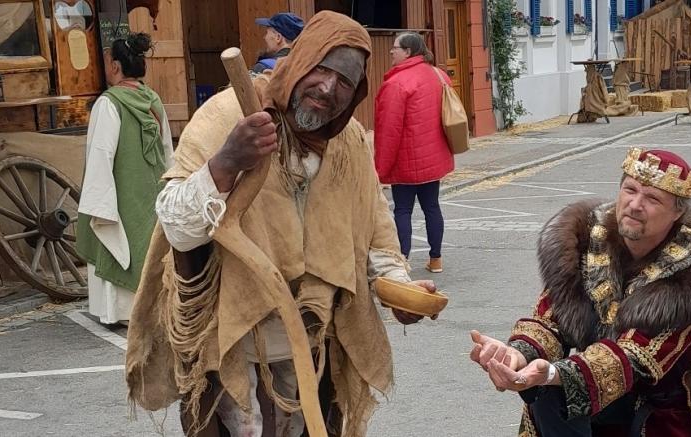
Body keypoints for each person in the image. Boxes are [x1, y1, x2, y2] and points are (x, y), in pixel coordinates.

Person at [125, 11, 438, 436]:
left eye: (344, 81)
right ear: (299, 58)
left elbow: (378, 239)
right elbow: (176, 225)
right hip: (230, 341)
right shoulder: (227, 114)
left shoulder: (348, 144)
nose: (328, 89)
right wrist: (226, 162)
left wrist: (401, 289)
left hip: (313, 344)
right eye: (321, 69)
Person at [468, 147, 691, 437]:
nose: (635, 204)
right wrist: (516, 354)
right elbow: (552, 320)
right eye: (630, 190)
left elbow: (636, 355)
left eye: (652, 198)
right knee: (548, 394)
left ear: (678, 212)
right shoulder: (584, 242)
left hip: (670, 408)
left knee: (554, 384)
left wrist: (554, 374)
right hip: (596, 390)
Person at [77, 34, 173, 326]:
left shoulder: (108, 103)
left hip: (120, 189)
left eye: (108, 62)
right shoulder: (153, 99)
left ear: (116, 66)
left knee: (117, 241)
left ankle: (119, 312)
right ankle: (151, 308)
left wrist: (99, 203)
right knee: (149, 245)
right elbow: (167, 148)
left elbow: (100, 155)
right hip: (153, 188)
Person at [374, 32, 454, 273]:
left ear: (407, 51)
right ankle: (436, 259)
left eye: (395, 48)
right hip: (433, 157)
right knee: (432, 207)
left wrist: (380, 169)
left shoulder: (396, 84)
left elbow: (389, 130)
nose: (391, 51)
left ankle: (403, 261)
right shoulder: (438, 75)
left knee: (402, 210)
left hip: (405, 161)